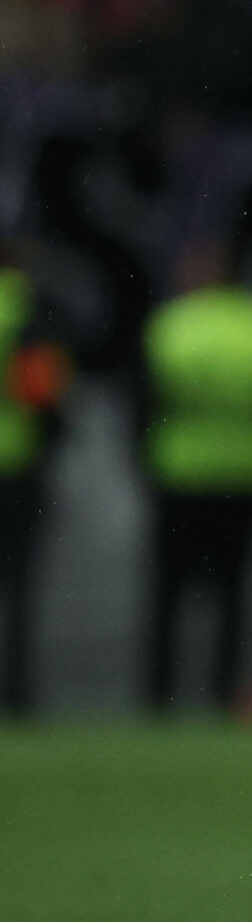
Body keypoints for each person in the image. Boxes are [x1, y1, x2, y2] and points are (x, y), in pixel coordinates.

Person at [141, 279, 252, 713]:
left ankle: (160, 695)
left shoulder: (174, 323)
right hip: (250, 471)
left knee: (168, 593)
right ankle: (223, 692)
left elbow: (145, 397)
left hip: (181, 470)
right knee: (235, 593)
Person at [0, 264, 70, 716]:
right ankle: (16, 692)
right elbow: (40, 388)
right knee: (18, 588)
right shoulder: (23, 303)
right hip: (15, 462)